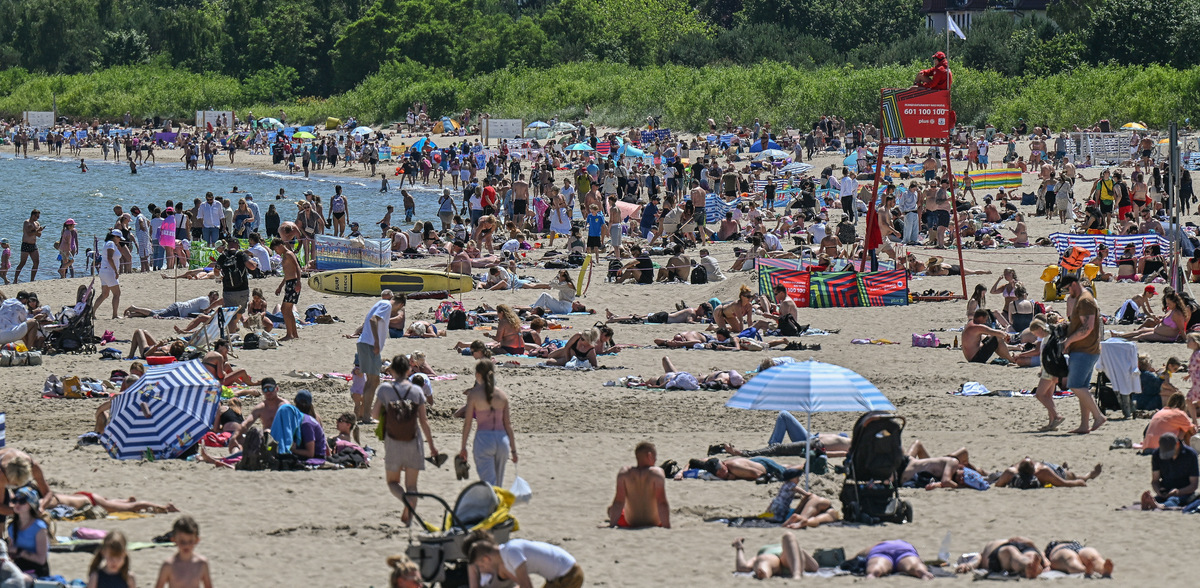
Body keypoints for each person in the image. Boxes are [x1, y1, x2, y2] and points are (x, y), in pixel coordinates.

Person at [372, 355, 438, 527]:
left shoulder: (385, 389)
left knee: (393, 482)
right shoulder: (416, 390)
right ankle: (408, 520)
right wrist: (432, 446)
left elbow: (374, 415)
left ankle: (405, 501)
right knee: (412, 486)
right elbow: (424, 421)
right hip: (413, 440)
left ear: (392, 370)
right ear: (409, 370)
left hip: (393, 440)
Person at [459, 359, 516, 487]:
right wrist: (513, 450)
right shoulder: (502, 395)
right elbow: (508, 425)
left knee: (489, 484)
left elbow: (468, 423)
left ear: (478, 374)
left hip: (484, 438)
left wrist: (463, 447)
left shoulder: (474, 395)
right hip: (502, 439)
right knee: (498, 485)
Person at [1060, 275, 1105, 434]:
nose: (1068, 292)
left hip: (1085, 349)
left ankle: (1098, 416)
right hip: (1084, 349)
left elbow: (1088, 327)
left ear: (1073, 284)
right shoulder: (1082, 299)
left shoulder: (1085, 300)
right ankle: (1084, 425)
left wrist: (1068, 341)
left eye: (1067, 289)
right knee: (1082, 388)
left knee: (1075, 385)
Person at [465, 531, 583, 588]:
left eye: (481, 566)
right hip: (559, 577)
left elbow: (526, 585)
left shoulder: (511, 552)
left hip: (569, 575)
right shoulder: (505, 555)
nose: (482, 570)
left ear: (486, 559)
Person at [357, 290, 402, 424]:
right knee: (373, 381)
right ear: (400, 305)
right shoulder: (387, 305)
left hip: (365, 343)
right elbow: (373, 320)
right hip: (370, 344)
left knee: (371, 381)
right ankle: (366, 416)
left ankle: (362, 413)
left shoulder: (381, 303)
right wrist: (376, 342)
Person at [607, 442, 670, 529]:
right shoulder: (657, 473)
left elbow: (618, 502)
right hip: (655, 523)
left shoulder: (624, 473)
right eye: (655, 456)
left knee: (610, 509)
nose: (656, 459)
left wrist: (612, 525)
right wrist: (667, 527)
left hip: (631, 523)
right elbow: (662, 503)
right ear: (649, 455)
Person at [1141, 432, 1200, 510]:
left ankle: (1161, 506)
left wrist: (1178, 492)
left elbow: (1194, 485)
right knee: (1157, 499)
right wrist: (1159, 491)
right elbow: (1155, 480)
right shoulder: (1157, 454)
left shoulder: (1190, 455)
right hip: (1166, 489)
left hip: (1185, 491)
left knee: (1173, 500)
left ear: (1177, 444)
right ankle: (1152, 504)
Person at [153, 516, 213, 588]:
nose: (186, 545)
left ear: (197, 540)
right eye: (182, 541)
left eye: (190, 541)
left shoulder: (201, 563)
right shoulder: (169, 565)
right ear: (174, 540)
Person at [731, 534, 817, 580]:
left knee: (788, 536)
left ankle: (796, 574)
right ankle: (764, 572)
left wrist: (739, 549)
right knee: (764, 559)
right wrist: (739, 548)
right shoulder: (763, 553)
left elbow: (743, 567)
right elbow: (743, 567)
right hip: (779, 559)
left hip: (789, 558)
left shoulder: (786, 545)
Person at [5, 487, 48, 578]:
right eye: (15, 500)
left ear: (31, 505)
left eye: (22, 501)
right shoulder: (12, 526)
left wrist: (19, 552)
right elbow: (12, 551)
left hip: (36, 570)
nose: (17, 504)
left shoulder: (39, 527)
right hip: (18, 567)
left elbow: (41, 560)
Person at [955, 538, 1046, 579]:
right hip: (1020, 545)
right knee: (1017, 553)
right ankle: (1031, 564)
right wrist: (969, 565)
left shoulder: (981, 554)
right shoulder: (980, 554)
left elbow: (977, 559)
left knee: (1012, 553)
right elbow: (976, 560)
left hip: (1015, 545)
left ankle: (1029, 565)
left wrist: (969, 564)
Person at [212, 236, 256, 313]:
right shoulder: (241, 254)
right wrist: (255, 263)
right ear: (237, 245)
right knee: (239, 313)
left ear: (228, 245)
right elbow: (252, 267)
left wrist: (218, 278)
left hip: (228, 290)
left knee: (230, 313)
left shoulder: (223, 256)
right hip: (242, 289)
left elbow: (216, 270)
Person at [992, 458, 1102, 489]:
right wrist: (1080, 483)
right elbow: (1064, 483)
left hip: (1049, 467)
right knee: (1071, 476)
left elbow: (998, 484)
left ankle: (1089, 475)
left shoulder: (1043, 471)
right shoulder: (1043, 472)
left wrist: (1080, 482)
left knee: (1071, 475)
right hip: (1050, 469)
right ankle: (1088, 475)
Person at [271, 239, 301, 341]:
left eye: (276, 249)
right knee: (287, 310)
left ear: (280, 245)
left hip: (293, 282)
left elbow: (297, 267)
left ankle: (289, 334)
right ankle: (294, 334)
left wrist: (299, 282)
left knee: (285, 309)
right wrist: (280, 286)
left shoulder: (289, 254)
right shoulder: (285, 255)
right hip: (289, 282)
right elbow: (287, 273)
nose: (276, 252)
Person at [863, 540, 933, 579]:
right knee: (914, 565)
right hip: (904, 548)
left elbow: (863, 553)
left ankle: (872, 574)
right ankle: (923, 572)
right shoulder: (903, 542)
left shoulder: (878, 544)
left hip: (881, 550)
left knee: (877, 565)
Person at [123, 291, 221, 319]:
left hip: (178, 309)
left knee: (155, 312)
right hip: (178, 309)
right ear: (209, 295)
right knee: (156, 314)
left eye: (215, 299)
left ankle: (133, 314)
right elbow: (204, 312)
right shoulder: (205, 300)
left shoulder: (206, 300)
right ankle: (134, 308)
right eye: (213, 298)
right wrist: (212, 309)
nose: (213, 300)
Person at [93, 230, 123, 319]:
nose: (120, 240)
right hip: (109, 272)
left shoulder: (109, 244)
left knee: (104, 294)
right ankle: (115, 315)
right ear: (115, 237)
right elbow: (110, 258)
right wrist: (115, 271)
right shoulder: (110, 244)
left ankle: (92, 312)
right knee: (117, 293)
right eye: (119, 238)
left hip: (104, 271)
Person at [12, 209, 42, 283]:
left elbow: (39, 235)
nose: (38, 218)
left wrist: (35, 231)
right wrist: (36, 231)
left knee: (36, 262)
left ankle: (32, 279)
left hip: (33, 244)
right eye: (37, 216)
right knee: (22, 263)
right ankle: (15, 279)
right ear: (33, 215)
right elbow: (29, 234)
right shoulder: (26, 222)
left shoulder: (37, 223)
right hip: (26, 244)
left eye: (38, 217)